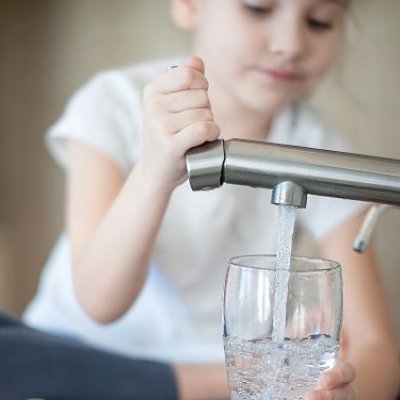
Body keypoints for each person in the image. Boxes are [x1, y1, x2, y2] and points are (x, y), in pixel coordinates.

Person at [19, 0, 399, 399]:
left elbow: (377, 349)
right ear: (187, 5)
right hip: (77, 357)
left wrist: (347, 394)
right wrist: (152, 173)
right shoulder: (114, 102)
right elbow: (99, 303)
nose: (290, 44)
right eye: (257, 9)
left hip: (228, 369)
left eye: (320, 22)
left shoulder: (320, 150)